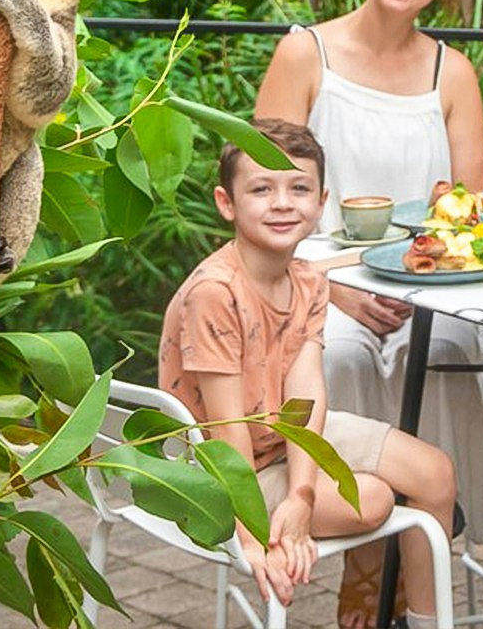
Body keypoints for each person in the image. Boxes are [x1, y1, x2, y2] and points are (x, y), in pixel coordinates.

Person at [255, 0, 483, 627]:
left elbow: (468, 218)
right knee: (337, 356)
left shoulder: (451, 74)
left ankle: (421, 545)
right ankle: (370, 570)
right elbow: (262, 199)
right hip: (318, 280)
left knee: (449, 353)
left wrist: (425, 270)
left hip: (425, 288)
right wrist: (335, 290)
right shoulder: (306, 53)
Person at [158, 119, 456, 629]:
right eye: (261, 189)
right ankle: (347, 566)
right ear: (227, 203)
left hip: (276, 433)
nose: (282, 203)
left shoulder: (309, 282)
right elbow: (226, 434)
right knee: (373, 497)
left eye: (298, 188)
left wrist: (301, 497)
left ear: (321, 203)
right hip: (221, 473)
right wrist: (254, 534)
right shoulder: (215, 293)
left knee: (434, 472)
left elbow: (306, 393)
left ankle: (425, 623)